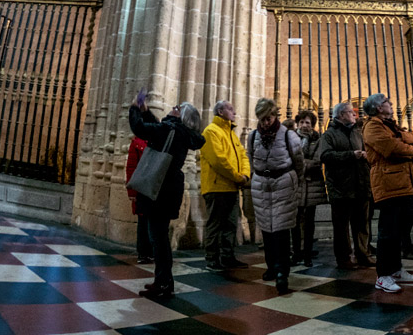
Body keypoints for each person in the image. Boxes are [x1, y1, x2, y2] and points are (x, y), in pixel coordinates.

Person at [128, 99, 206, 298]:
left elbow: (140, 129)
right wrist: (146, 112)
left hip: (159, 189)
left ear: (182, 116)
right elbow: (159, 128)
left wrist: (134, 109)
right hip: (168, 189)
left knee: (158, 239)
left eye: (177, 108)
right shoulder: (178, 132)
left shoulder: (171, 130)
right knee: (160, 237)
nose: (173, 108)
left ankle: (163, 283)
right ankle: (164, 281)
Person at [362, 93, 413, 294]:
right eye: (388, 102)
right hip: (387, 183)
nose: (391, 104)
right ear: (379, 107)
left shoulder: (391, 126)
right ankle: (383, 275)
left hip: (402, 182)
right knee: (387, 232)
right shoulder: (372, 127)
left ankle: (396, 269)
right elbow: (391, 148)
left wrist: (403, 138)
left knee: (399, 230)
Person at [246, 98, 304, 293]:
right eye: (262, 119)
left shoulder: (289, 136)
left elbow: (298, 161)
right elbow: (251, 158)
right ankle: (271, 266)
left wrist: (294, 179)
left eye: (268, 118)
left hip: (283, 184)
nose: (265, 123)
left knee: (280, 230)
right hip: (262, 185)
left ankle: (282, 272)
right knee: (267, 230)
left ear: (275, 115)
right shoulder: (253, 136)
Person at [318, 101, 374, 269]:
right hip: (341, 187)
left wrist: (365, 155)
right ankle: (344, 258)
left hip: (361, 184)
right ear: (341, 115)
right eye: (351, 112)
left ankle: (363, 254)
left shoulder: (358, 132)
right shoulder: (329, 135)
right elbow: (325, 156)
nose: (355, 115)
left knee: (362, 224)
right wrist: (351, 155)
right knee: (341, 226)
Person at [200, 100, 252, 271]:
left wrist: (245, 175)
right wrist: (238, 177)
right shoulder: (211, 131)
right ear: (220, 111)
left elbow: (243, 156)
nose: (234, 111)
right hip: (216, 187)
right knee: (215, 224)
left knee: (230, 224)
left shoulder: (232, 134)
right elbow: (218, 160)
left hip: (232, 186)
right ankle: (212, 259)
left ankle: (227, 257)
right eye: (230, 108)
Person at [292, 109, 326, 267]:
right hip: (296, 185)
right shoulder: (291, 138)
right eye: (302, 122)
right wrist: (304, 164)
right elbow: (288, 159)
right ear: (297, 123)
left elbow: (318, 161)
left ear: (312, 125)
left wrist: (301, 165)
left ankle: (307, 254)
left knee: (309, 222)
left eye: (308, 123)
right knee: (294, 221)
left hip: (312, 185)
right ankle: (296, 253)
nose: (304, 125)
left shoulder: (317, 139)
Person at [124, 136, 155, 264]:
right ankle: (143, 252)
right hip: (142, 188)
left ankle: (152, 251)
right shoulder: (137, 143)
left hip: (154, 187)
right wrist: (132, 192)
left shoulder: (158, 141)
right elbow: (131, 167)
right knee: (143, 220)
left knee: (154, 220)